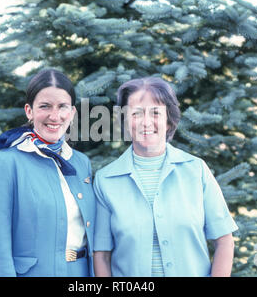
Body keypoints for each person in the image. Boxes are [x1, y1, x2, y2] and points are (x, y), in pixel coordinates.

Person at [93, 77, 238, 277]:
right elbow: (102, 255)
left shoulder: (197, 171)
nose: (146, 121)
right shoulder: (105, 180)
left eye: (155, 112)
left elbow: (224, 241)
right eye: (136, 113)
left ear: (169, 120)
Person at [0, 69, 95, 277]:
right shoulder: (5, 162)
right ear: (29, 110)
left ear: (71, 113)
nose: (55, 116)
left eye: (62, 107)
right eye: (45, 106)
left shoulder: (81, 163)